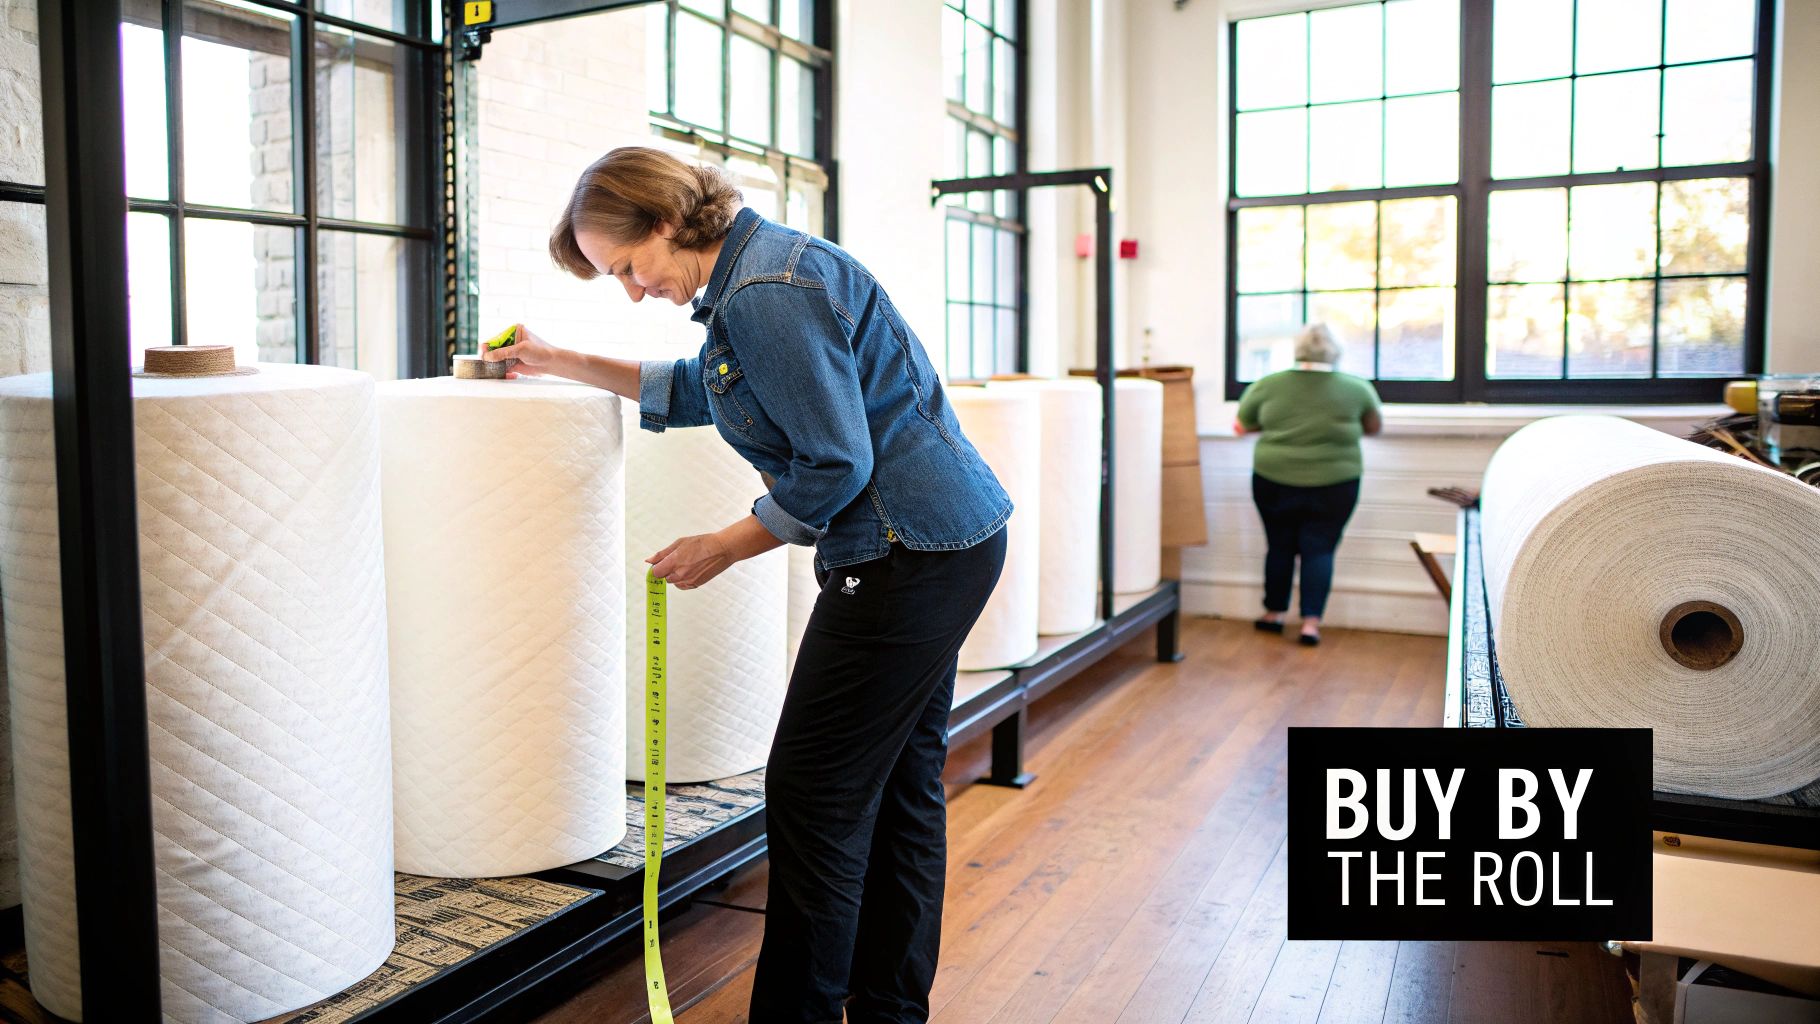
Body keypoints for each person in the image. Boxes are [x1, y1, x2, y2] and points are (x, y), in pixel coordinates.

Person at [483, 146, 1011, 1023]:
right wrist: (561, 359)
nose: (631, 288)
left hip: (902, 554)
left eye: (626, 266)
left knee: (813, 797)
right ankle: (889, 1011)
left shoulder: (765, 295)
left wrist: (725, 544)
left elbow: (836, 463)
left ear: (662, 222)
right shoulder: (764, 274)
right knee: (899, 790)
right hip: (941, 544)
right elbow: (706, 391)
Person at [1232, 323, 1382, 646]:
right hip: (1336, 483)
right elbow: (1373, 427)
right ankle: (1310, 624)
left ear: (1297, 350)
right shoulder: (1357, 388)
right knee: (1320, 549)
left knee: (1280, 545)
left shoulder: (1267, 385)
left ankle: (1274, 614)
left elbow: (1241, 426)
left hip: (1274, 480)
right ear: (1336, 352)